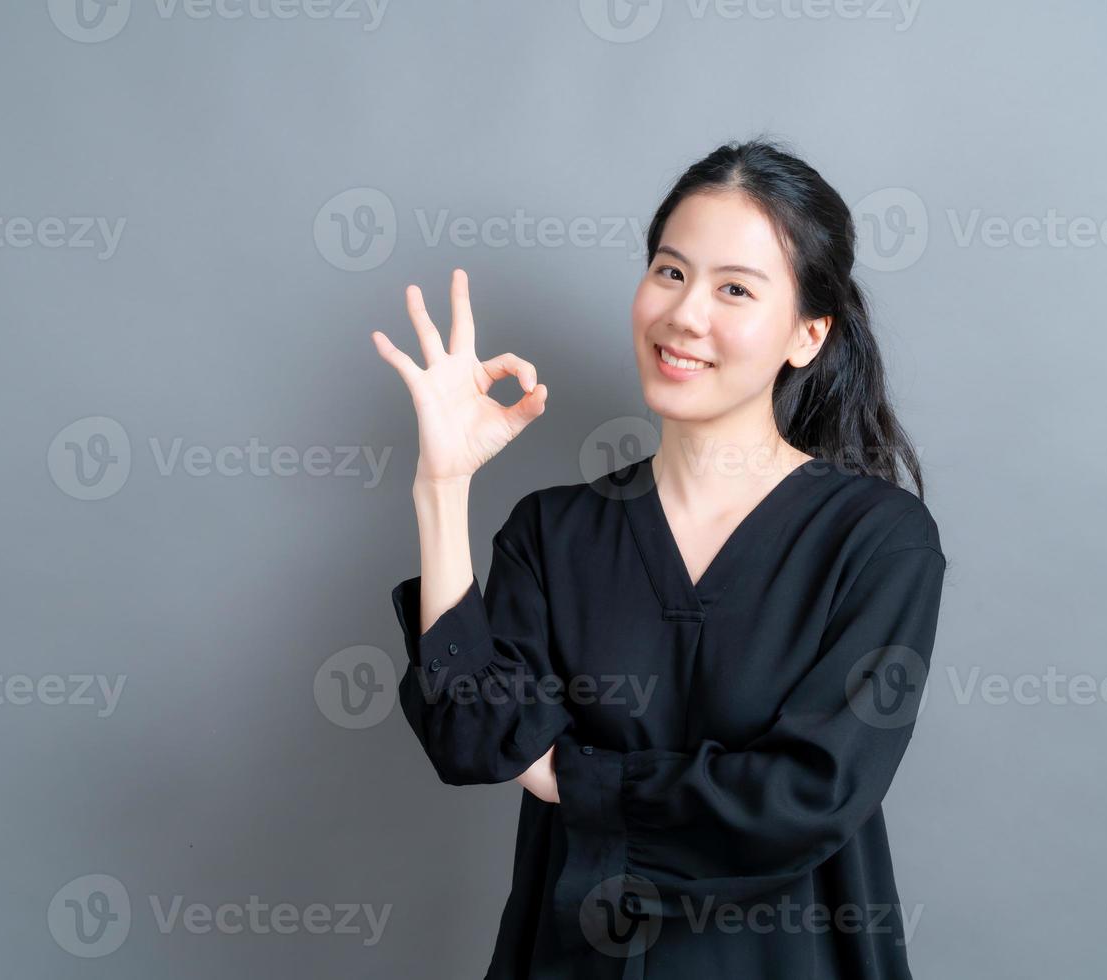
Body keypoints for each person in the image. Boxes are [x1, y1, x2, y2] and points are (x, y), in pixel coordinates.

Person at [369, 138, 948, 979]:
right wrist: (441, 484)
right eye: (670, 272)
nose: (685, 314)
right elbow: (472, 737)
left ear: (807, 334)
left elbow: (807, 795)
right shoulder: (555, 532)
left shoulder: (876, 540)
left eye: (735, 289)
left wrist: (574, 775)